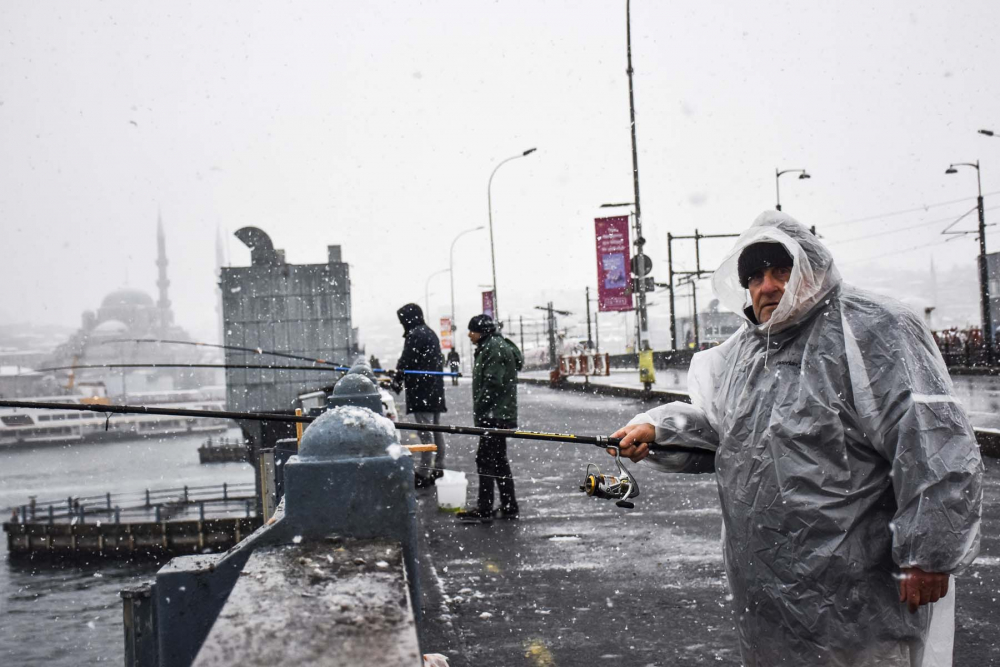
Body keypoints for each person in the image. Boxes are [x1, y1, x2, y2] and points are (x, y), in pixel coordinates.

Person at [611, 211, 983, 667]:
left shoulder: (872, 330)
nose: (767, 287)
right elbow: (731, 437)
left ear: (812, 268)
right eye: (755, 277)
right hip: (766, 594)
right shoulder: (746, 353)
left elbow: (933, 444)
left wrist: (929, 553)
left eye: (781, 270)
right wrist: (661, 432)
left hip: (859, 593)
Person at [457, 314, 523, 524]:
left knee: (486, 460)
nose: (469, 334)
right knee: (498, 461)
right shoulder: (493, 345)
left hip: (494, 415)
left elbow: (493, 382)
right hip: (498, 414)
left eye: (472, 330)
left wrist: (481, 406)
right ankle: (508, 505)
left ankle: (485, 508)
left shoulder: (493, 348)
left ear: (482, 331)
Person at [393, 303, 447, 488]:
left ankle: (424, 472)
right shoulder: (429, 333)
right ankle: (439, 467)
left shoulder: (415, 335)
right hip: (435, 390)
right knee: (436, 430)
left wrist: (397, 380)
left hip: (422, 391)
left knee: (425, 434)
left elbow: (407, 360)